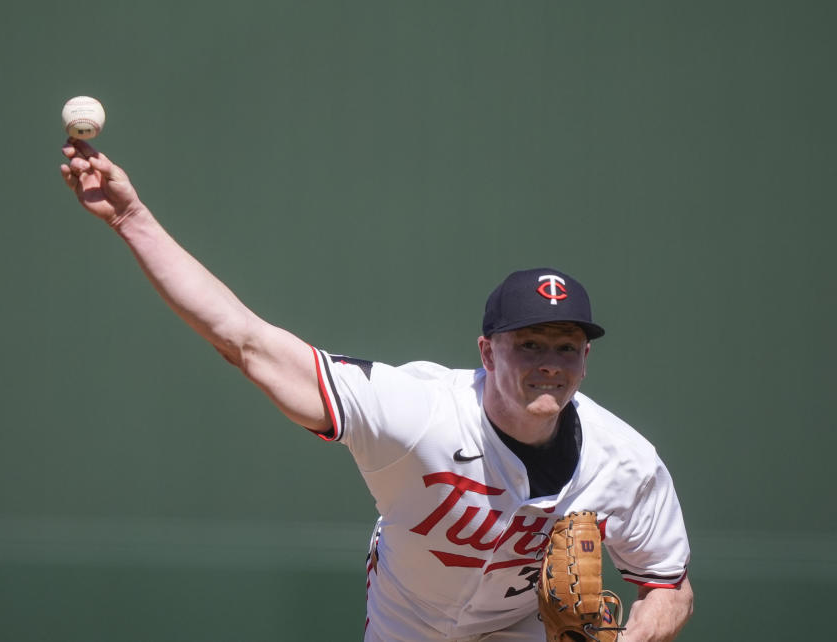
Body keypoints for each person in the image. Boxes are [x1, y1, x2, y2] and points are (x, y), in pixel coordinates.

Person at [60, 139, 694, 641]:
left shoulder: (625, 463)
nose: (549, 364)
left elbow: (669, 584)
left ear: (585, 358)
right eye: (529, 343)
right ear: (486, 350)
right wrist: (131, 218)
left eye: (566, 347)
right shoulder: (415, 413)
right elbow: (245, 341)